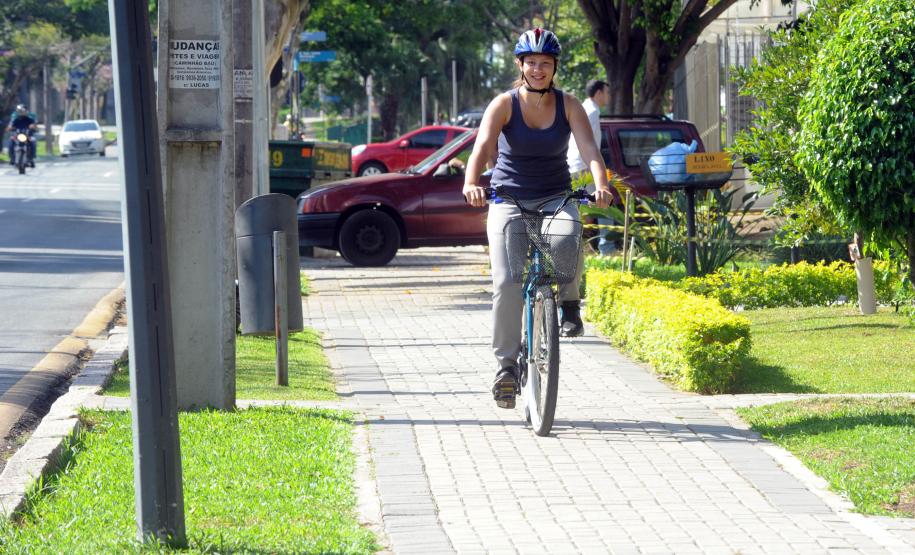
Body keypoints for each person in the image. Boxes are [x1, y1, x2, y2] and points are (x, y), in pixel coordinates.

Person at [463, 28, 612, 409]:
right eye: (532, 63)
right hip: (508, 199)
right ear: (521, 66)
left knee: (568, 236)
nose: (538, 69)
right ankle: (507, 368)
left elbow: (590, 149)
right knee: (508, 281)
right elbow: (482, 147)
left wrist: (601, 185)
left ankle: (570, 306)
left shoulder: (569, 105)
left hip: (554, 197)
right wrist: (471, 182)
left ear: (554, 67)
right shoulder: (504, 104)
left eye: (545, 63)